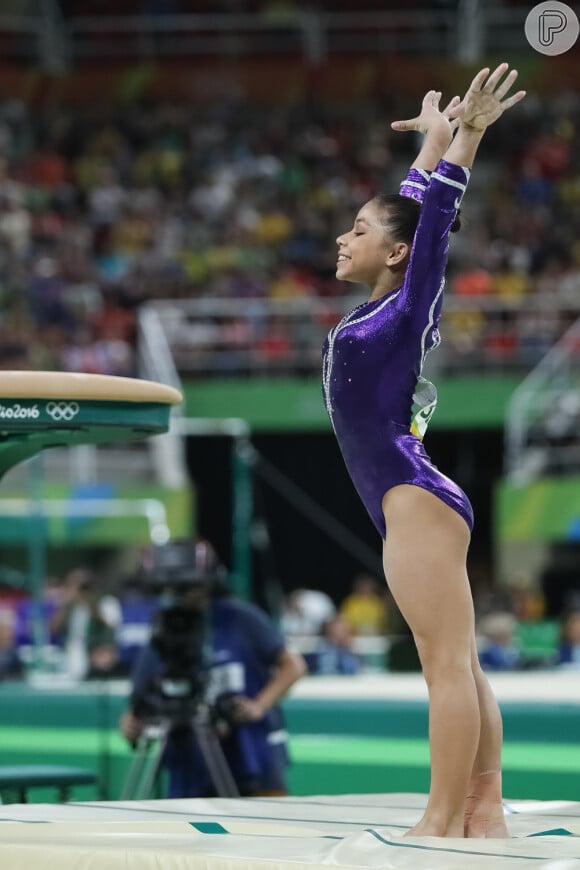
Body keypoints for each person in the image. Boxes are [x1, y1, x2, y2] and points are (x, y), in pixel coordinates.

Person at [322, 63, 525, 838]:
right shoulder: (382, 309)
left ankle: (440, 820)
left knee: (444, 664)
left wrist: (464, 139)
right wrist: (430, 143)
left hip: (413, 499)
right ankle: (483, 808)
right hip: (414, 498)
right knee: (462, 663)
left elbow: (430, 227)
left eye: (360, 231)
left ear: (396, 255)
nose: (345, 237)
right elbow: (413, 217)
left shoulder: (404, 311)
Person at [120, 539, 306, 798]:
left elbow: (294, 665)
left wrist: (259, 705)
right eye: (171, 588)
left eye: (187, 587)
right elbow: (140, 696)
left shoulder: (240, 618)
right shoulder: (164, 630)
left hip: (250, 747)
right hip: (189, 757)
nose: (178, 594)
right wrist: (132, 723)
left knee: (264, 828)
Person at [50, 568, 122, 680]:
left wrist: (91, 604)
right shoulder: (69, 606)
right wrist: (65, 603)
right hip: (69, 650)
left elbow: (109, 627)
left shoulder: (105, 602)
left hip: (94, 651)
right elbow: (54, 628)